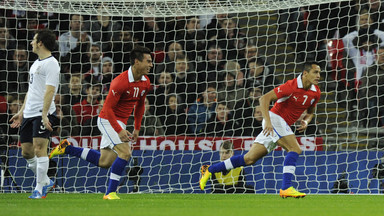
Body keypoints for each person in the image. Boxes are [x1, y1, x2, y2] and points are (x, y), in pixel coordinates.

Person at [199, 62, 321, 198]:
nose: (318, 76)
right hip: (275, 119)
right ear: (305, 73)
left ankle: (209, 170)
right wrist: (268, 121)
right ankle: (286, 188)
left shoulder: (316, 92)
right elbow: (264, 99)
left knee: (249, 159)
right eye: (315, 72)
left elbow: (310, 112)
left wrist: (306, 121)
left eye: (319, 73)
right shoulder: (291, 86)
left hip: (281, 125)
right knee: (295, 149)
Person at [49, 46, 153, 200]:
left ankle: (67, 148)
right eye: (148, 61)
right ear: (137, 62)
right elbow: (108, 109)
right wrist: (118, 130)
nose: (151, 64)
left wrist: (137, 127)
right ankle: (110, 193)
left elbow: (140, 105)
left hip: (120, 123)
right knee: (125, 153)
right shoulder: (120, 82)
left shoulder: (146, 82)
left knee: (104, 162)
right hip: (106, 119)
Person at [9, 29, 60, 199]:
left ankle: (38, 189)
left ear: (40, 43)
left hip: (42, 113)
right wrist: (21, 112)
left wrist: (45, 115)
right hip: (29, 113)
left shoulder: (52, 63)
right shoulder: (36, 63)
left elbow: (50, 91)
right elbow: (31, 91)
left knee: (40, 149)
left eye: (34, 39)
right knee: (27, 152)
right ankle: (46, 181)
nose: (31, 42)